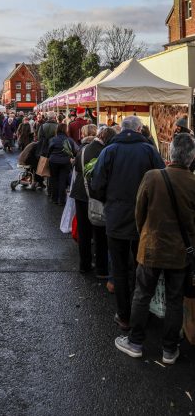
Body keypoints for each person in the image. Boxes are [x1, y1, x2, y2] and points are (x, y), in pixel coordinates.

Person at [115, 134, 195, 364]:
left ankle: (135, 342)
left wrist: (145, 235)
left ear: (171, 153)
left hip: (151, 247)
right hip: (180, 252)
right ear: (191, 158)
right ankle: (169, 349)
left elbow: (139, 212)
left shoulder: (152, 177)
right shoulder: (192, 182)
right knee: (174, 299)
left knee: (142, 295)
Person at [91, 116, 165, 330]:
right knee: (142, 266)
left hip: (115, 218)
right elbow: (162, 180)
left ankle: (124, 316)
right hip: (144, 219)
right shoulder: (149, 150)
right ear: (140, 129)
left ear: (122, 130)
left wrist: (110, 202)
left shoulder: (109, 151)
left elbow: (97, 185)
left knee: (121, 268)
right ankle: (140, 314)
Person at [70, 126, 116, 276]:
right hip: (97, 196)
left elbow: (77, 167)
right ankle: (101, 269)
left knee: (84, 233)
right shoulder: (107, 152)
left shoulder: (84, 149)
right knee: (100, 233)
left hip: (80, 194)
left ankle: (84, 264)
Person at [48, 123, 77, 205]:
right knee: (62, 180)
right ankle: (61, 200)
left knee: (54, 179)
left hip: (53, 161)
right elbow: (74, 151)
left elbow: (49, 150)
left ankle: (54, 198)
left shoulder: (53, 139)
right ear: (65, 130)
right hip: (66, 161)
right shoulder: (69, 140)